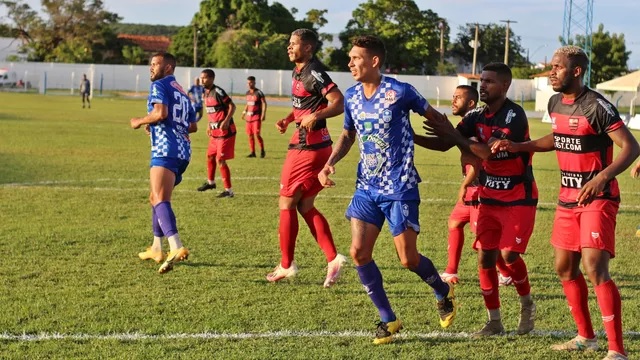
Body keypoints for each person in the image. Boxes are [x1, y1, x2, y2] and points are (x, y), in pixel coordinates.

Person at [492, 45, 639, 360]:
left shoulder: (596, 105)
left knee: (594, 266)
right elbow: (558, 137)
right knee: (564, 267)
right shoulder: (555, 102)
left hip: (598, 198)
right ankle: (585, 336)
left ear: (576, 71)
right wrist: (521, 146)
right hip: (566, 199)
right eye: (550, 66)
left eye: (557, 67)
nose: (550, 72)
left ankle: (617, 350)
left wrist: (601, 178)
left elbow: (630, 146)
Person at [318, 35, 457, 344]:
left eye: (356, 57)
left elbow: (435, 119)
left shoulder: (401, 92)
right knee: (358, 252)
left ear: (374, 61)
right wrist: (329, 162)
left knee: (407, 259)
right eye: (350, 58)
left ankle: (442, 291)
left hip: (400, 186)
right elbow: (347, 134)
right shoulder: (352, 96)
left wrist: (460, 143)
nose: (350, 62)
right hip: (366, 187)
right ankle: (388, 319)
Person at [420, 62, 538, 337]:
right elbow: (447, 142)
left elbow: (485, 152)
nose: (483, 85)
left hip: (519, 195)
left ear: (505, 85)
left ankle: (526, 304)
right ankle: (494, 321)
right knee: (485, 258)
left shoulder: (513, 115)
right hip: (488, 196)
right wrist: (408, 136)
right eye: (482, 81)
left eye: (490, 81)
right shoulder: (476, 114)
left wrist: (450, 133)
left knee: (508, 254)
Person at [266, 28, 347, 288]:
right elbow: (304, 105)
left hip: (306, 149)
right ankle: (333, 259)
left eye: (294, 44)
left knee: (286, 203)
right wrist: (289, 118)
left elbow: (338, 102)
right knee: (305, 206)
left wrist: (316, 117)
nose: (289, 48)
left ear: (309, 48)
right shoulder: (299, 70)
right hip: (317, 147)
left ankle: (286, 264)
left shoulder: (314, 72)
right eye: (288, 43)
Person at [131, 52, 197, 274]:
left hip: (165, 149)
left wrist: (140, 121)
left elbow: (160, 112)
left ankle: (175, 246)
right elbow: (192, 126)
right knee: (155, 197)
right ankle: (156, 248)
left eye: (155, 64)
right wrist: (158, 124)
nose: (151, 68)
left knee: (160, 198)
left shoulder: (159, 85)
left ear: (168, 67)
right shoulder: (183, 92)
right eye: (150, 64)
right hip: (183, 151)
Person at [439, 85, 481, 284]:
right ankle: (451, 271)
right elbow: (442, 145)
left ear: (471, 103)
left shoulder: (473, 125)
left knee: (483, 240)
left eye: (458, 98)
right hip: (473, 187)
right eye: (453, 96)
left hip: (479, 188)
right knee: (455, 223)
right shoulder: (466, 123)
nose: (453, 101)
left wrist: (465, 184)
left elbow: (477, 161)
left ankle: (506, 274)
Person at [196, 69, 237, 198]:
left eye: (205, 78)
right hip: (214, 132)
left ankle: (228, 191)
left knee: (220, 160)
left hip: (225, 132)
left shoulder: (218, 91)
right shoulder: (205, 93)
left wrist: (226, 120)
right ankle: (211, 182)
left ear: (212, 79)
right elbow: (211, 112)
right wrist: (209, 125)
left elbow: (232, 106)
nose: (202, 80)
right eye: (201, 77)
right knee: (210, 156)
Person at [242, 76, 267, 158]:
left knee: (257, 134)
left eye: (251, 83)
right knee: (250, 135)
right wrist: (244, 112)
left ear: (254, 83)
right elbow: (248, 103)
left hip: (256, 117)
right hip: (249, 118)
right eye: (248, 83)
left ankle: (262, 150)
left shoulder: (259, 92)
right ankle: (253, 152)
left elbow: (264, 103)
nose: (249, 84)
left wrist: (263, 114)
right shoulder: (247, 93)